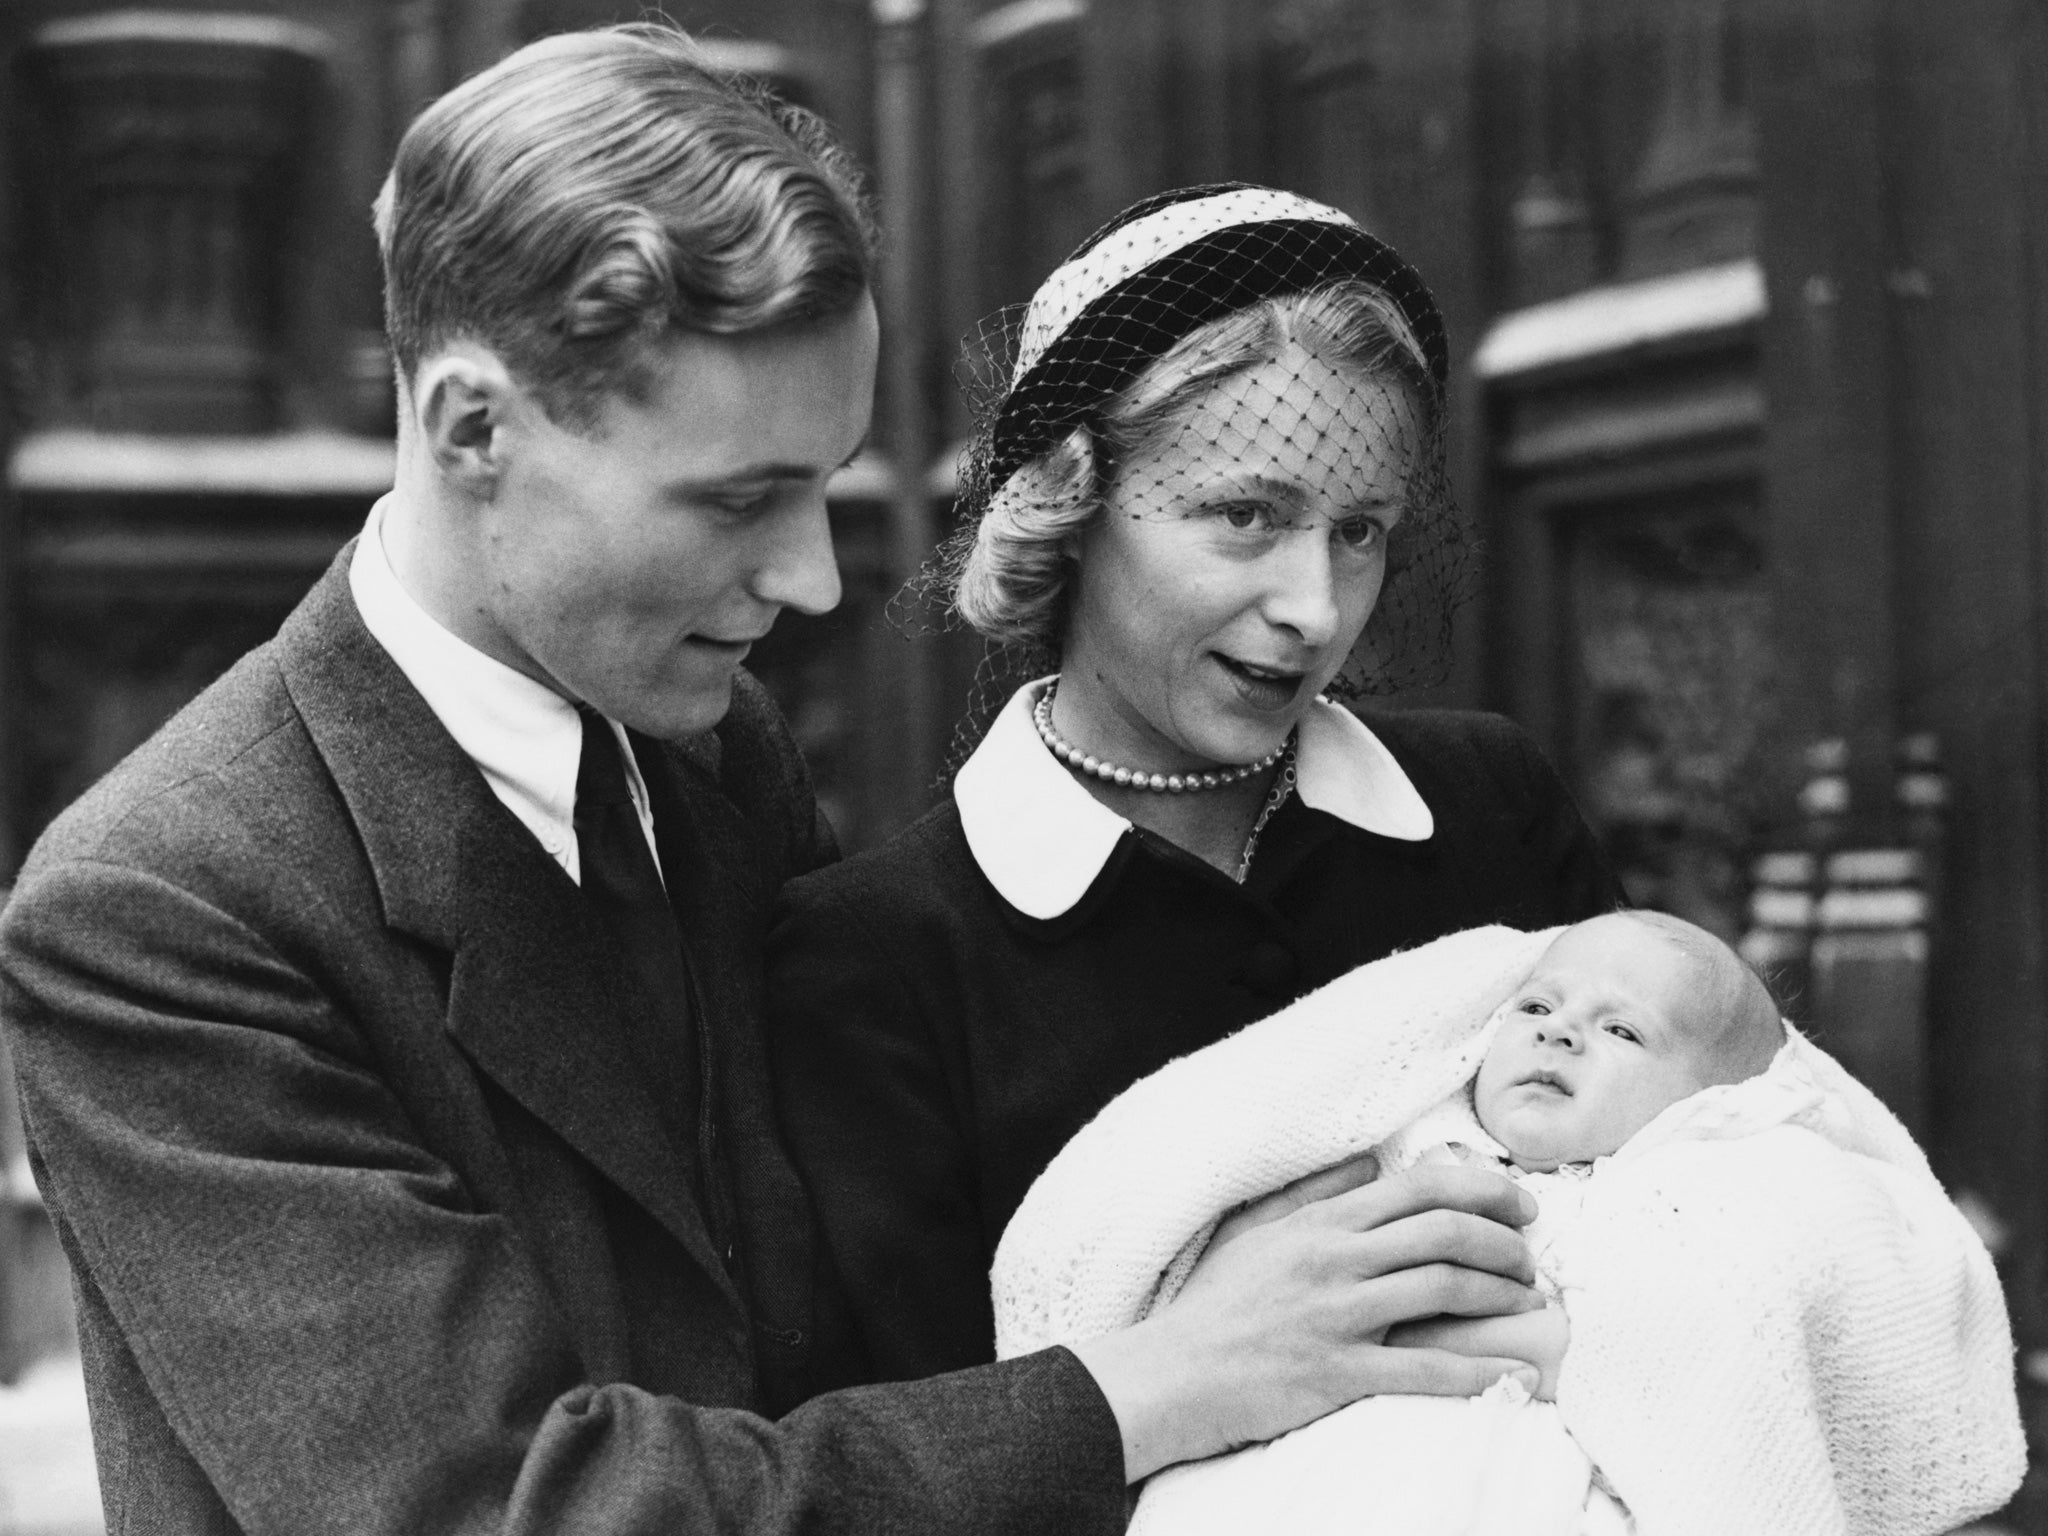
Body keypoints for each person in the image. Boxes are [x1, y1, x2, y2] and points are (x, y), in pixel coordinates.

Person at [0, 34, 1545, 1536]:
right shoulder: (164, 909)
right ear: (475, 428)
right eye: (742, 499)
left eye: (824, 483)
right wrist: (1158, 1380)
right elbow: (510, 1509)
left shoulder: (709, 742)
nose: (811, 578)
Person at [768, 184, 1625, 1392]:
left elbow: (1691, 1165)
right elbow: (928, 1452)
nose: (1313, 608)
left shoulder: (1489, 806)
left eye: (1359, 531)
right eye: (1243, 516)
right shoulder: (880, 958)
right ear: (1070, 500)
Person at [992, 916, 2025, 1536]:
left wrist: (1615, 1348)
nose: (1561, 1030)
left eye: (1622, 1030)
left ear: (1710, 1099)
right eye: (1534, 1008)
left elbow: (1753, 1326)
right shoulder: (1398, 1141)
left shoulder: (1702, 1188)